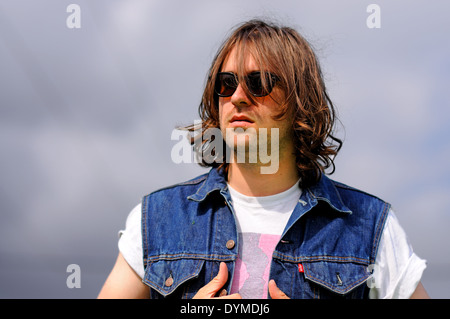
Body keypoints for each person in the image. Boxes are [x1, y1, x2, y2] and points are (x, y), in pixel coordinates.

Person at [98, 19, 429, 299]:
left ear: (301, 99)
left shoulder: (370, 225)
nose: (238, 97)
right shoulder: (156, 220)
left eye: (259, 83)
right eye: (226, 84)